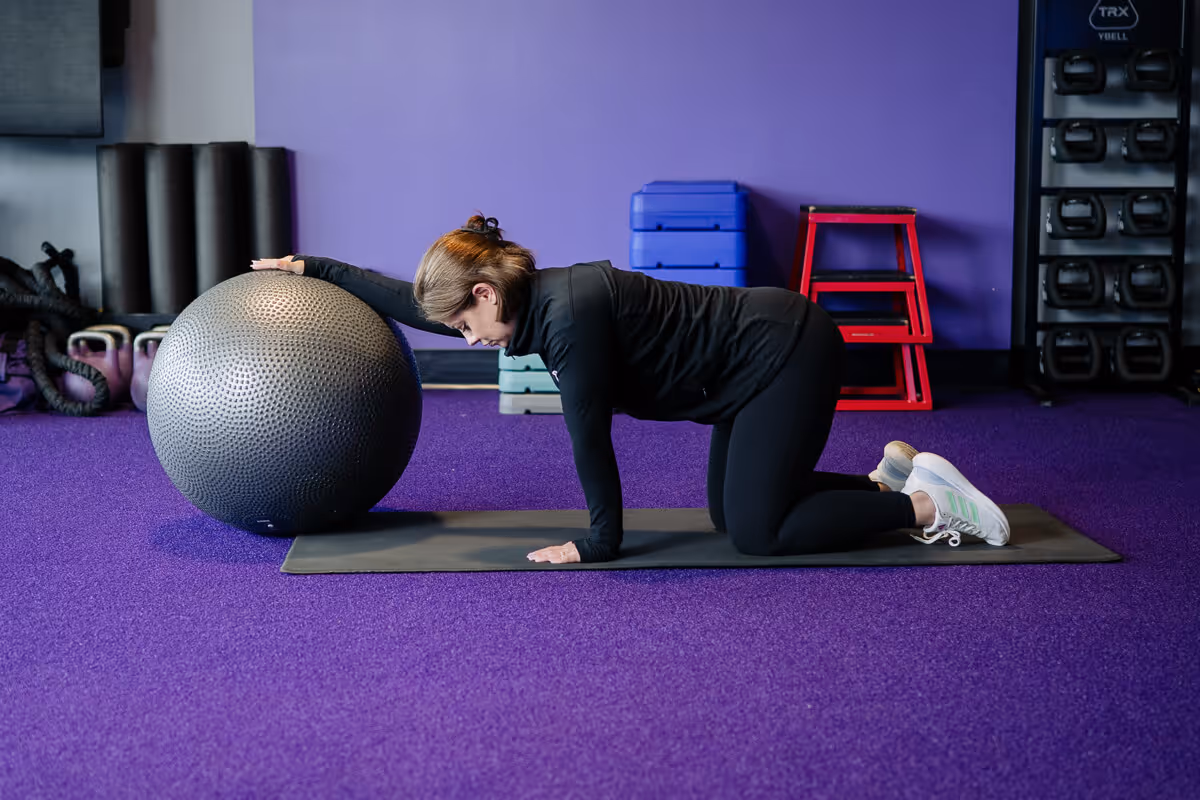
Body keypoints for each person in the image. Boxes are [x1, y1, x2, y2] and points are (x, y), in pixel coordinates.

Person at [251, 214, 1009, 564]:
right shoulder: (527, 300)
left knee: (756, 533)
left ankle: (930, 505)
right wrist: (313, 270)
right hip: (746, 372)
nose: (467, 341)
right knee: (726, 511)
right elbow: (405, 300)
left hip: (785, 354)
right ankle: (886, 480)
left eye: (464, 324)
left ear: (485, 292)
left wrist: (598, 544)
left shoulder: (570, 319)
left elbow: (590, 440)